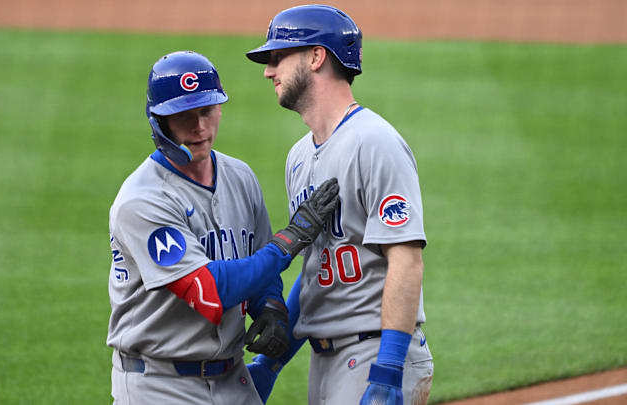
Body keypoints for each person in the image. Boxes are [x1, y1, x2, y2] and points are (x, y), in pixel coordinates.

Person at [106, 50, 340, 404]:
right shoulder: (142, 200)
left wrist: (270, 307)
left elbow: (261, 270)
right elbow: (208, 292)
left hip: (233, 378)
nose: (199, 126)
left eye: (207, 110)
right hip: (159, 384)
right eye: (184, 116)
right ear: (159, 122)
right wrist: (287, 243)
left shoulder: (239, 177)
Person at [244, 5, 434, 405]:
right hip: (326, 361)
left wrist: (387, 371)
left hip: (374, 354)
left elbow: (406, 260)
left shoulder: (374, 142)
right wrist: (270, 364)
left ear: (316, 57)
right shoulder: (298, 157)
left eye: (278, 57)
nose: (268, 70)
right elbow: (316, 270)